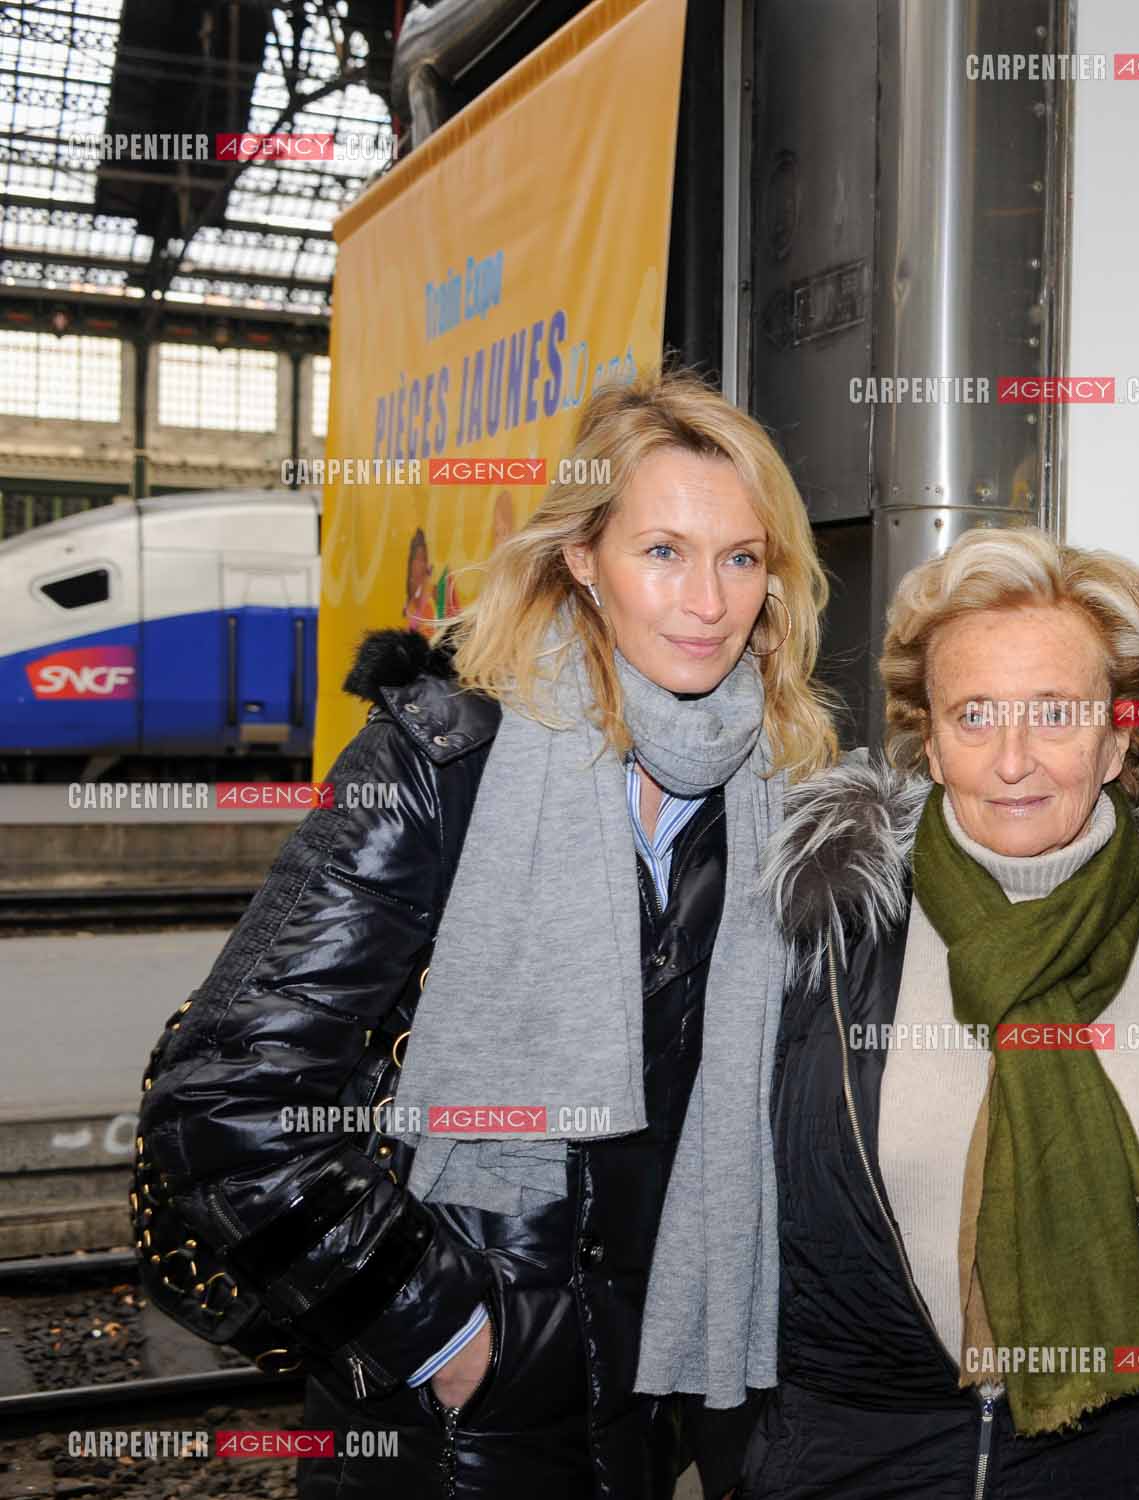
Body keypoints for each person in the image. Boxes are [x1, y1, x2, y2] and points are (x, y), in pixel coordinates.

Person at [131, 368, 837, 1499]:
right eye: (663, 551)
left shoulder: (783, 792)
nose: (708, 601)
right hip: (456, 1425)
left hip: (659, 1396)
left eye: (741, 558)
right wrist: (444, 1336)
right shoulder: (441, 762)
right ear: (581, 556)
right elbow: (224, 1100)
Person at [719, 527, 1139, 1498]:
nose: (1012, 761)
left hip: (1121, 1467)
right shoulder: (822, 922)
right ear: (927, 736)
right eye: (974, 715)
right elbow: (719, 1210)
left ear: (1118, 735)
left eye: (1053, 712)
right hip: (852, 1463)